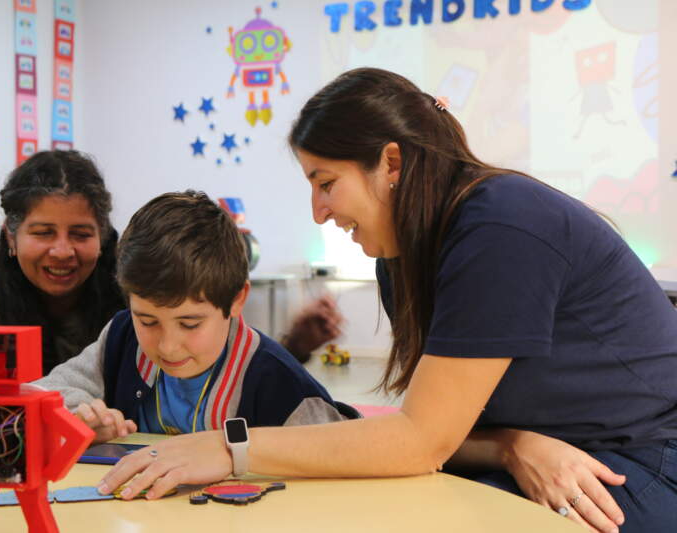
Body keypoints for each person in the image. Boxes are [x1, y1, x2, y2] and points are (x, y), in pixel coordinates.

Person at [96, 68, 677, 533]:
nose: (319, 212)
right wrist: (510, 445)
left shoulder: (502, 225)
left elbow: (419, 442)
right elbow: (430, 434)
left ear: (391, 164)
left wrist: (229, 448)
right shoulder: (404, 257)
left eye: (326, 183)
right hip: (552, 452)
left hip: (638, 458)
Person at [33, 191, 351, 445]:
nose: (168, 347)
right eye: (148, 320)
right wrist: (80, 417)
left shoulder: (281, 385)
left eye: (190, 324)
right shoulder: (122, 337)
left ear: (236, 299)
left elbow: (340, 458)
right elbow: (38, 394)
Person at [0, 150, 126, 409]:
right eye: (43, 233)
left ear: (101, 238)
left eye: (80, 234)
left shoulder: (127, 294)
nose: (62, 251)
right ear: (12, 237)